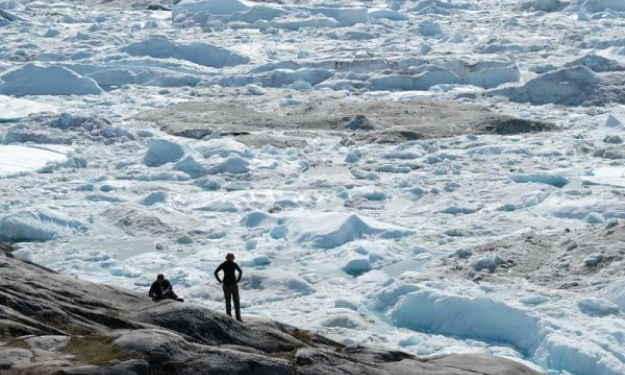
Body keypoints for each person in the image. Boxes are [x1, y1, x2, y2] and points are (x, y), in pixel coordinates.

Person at [214, 253, 243, 321]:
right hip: (233, 284)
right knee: (236, 301)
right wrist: (238, 280)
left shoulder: (223, 264)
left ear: (226, 258)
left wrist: (219, 280)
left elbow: (215, 272)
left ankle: (229, 317)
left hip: (225, 285)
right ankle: (238, 318)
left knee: (227, 301)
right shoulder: (234, 264)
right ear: (232, 258)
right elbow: (240, 272)